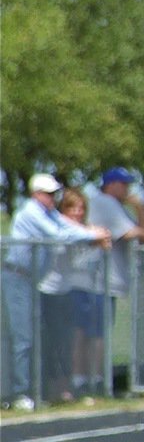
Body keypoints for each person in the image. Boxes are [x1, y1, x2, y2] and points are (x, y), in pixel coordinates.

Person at [2, 174, 110, 409]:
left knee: (34, 337)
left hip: (30, 279)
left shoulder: (48, 213)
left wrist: (93, 232)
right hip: (17, 276)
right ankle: (20, 393)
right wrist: (93, 236)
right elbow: (58, 234)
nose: (53, 198)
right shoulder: (31, 212)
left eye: (54, 194)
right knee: (24, 338)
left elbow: (64, 225)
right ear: (36, 194)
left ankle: (32, 391)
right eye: (48, 194)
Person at [38, 188, 108, 401]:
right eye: (72, 207)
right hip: (57, 290)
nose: (77, 212)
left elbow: (101, 242)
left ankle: (90, 381)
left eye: (81, 208)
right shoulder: (59, 226)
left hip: (85, 289)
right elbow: (73, 239)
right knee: (67, 339)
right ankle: (65, 384)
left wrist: (94, 236)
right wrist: (92, 236)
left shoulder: (86, 230)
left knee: (93, 335)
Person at [87, 166, 144, 317]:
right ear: (110, 185)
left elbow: (142, 236)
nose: (128, 189)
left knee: (101, 333)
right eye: (124, 184)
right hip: (99, 281)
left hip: (107, 281)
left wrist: (140, 208)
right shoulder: (104, 201)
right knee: (96, 334)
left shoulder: (117, 205)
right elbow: (130, 233)